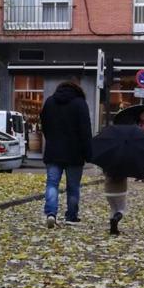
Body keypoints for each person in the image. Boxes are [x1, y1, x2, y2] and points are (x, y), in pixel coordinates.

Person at [40, 81, 92, 228]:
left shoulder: (50, 102)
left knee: (52, 184)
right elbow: (85, 131)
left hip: (53, 151)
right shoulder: (80, 104)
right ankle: (71, 216)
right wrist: (88, 153)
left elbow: (44, 124)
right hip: (75, 153)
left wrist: (51, 139)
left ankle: (51, 213)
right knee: (73, 186)